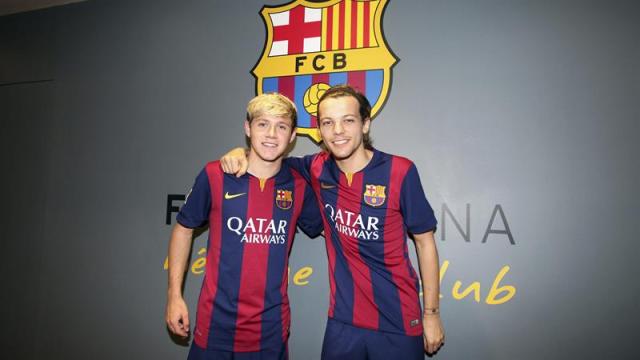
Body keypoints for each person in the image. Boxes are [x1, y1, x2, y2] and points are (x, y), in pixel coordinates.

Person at [221, 85, 445, 359]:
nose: (338, 131)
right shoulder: (316, 168)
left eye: (348, 120)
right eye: (328, 123)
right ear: (320, 131)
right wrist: (240, 152)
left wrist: (431, 314)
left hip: (398, 320)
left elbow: (425, 244)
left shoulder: (401, 171)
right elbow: (269, 157)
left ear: (365, 124)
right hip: (343, 322)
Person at [165, 93, 323, 360]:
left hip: (270, 333)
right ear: (247, 128)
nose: (271, 134)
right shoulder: (215, 174)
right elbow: (183, 228)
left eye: (281, 126)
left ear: (293, 135)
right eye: (262, 124)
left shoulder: (299, 185)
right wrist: (174, 296)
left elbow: (329, 224)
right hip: (215, 327)